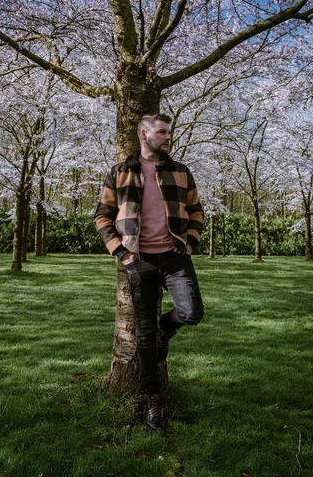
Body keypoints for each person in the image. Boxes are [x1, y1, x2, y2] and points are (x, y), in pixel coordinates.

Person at [94, 114, 204, 431]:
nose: (168, 136)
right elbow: (102, 217)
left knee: (192, 311)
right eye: (162, 132)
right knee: (143, 335)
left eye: (169, 132)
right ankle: (154, 400)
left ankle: (164, 328)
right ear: (145, 134)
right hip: (138, 260)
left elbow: (196, 211)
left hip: (174, 255)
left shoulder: (181, 172)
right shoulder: (120, 173)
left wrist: (191, 242)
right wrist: (121, 252)